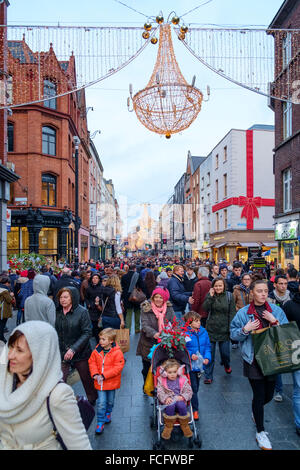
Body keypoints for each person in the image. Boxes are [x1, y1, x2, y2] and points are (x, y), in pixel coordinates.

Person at [0, 321, 92, 450]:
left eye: (19, 350)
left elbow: (79, 446)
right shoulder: (5, 384)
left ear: (39, 355)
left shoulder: (58, 394)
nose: (10, 355)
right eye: (11, 347)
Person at [230, 279, 289, 450]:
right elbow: (233, 334)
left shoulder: (276, 310)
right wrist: (244, 329)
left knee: (269, 395)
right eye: (259, 291)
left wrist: (275, 322)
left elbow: (287, 333)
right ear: (252, 293)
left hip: (272, 358)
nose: (263, 294)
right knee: (258, 393)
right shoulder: (243, 313)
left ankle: (257, 411)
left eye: (265, 291)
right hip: (253, 359)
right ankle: (260, 432)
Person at [55, 287, 97, 405]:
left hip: (81, 352)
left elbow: (87, 332)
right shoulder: (57, 312)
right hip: (62, 351)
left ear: (73, 298)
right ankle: (61, 401)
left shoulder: (82, 312)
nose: (62, 300)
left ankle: (92, 399)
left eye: (66, 297)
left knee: (86, 379)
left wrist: (73, 349)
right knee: (60, 379)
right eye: (61, 297)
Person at [88, 328, 125, 434]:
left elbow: (118, 367)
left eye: (103, 339)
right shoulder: (96, 351)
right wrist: (95, 374)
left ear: (111, 341)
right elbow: (92, 362)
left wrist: (104, 376)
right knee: (101, 403)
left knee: (110, 401)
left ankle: (108, 412)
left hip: (111, 382)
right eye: (100, 339)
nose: (100, 341)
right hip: (100, 384)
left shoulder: (117, 352)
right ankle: (100, 422)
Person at [136, 287, 174, 390]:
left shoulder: (169, 308)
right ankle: (146, 386)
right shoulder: (146, 308)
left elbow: (174, 322)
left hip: (164, 342)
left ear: (164, 299)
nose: (158, 299)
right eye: (156, 297)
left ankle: (160, 387)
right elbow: (144, 325)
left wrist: (175, 333)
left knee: (162, 366)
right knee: (147, 366)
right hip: (148, 342)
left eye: (160, 297)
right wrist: (154, 334)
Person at [202, 277, 236, 383]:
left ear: (224, 286)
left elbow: (232, 313)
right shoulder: (210, 295)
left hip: (225, 329)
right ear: (213, 287)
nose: (218, 288)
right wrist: (210, 297)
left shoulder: (229, 296)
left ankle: (226, 364)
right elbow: (205, 308)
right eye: (216, 286)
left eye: (220, 285)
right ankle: (208, 376)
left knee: (225, 353)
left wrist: (231, 327)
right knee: (209, 354)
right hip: (211, 328)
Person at [184, 311, 211, 420]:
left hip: (200, 366)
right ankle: (195, 409)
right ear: (189, 323)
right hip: (190, 365)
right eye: (196, 321)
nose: (199, 323)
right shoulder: (185, 333)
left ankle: (190, 401)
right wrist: (191, 355)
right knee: (194, 388)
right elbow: (182, 348)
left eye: (199, 320)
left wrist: (207, 358)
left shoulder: (204, 332)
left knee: (197, 387)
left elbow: (208, 347)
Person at [157, 358, 193, 440]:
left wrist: (183, 397)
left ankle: (185, 425)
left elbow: (189, 391)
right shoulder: (161, 381)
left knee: (182, 406)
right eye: (170, 372)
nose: (173, 374)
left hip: (180, 399)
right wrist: (165, 398)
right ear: (165, 373)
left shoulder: (183, 379)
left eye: (175, 372)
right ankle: (168, 426)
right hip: (169, 401)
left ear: (179, 371)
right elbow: (160, 391)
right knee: (170, 406)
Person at [268, 274, 291, 402]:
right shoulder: (269, 299)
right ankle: (279, 390)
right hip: (274, 334)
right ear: (275, 285)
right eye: (281, 283)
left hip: (289, 332)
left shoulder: (291, 298)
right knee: (278, 362)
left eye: (285, 283)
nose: (283, 286)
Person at [283, 286, 300, 436]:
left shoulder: (289, 305)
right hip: (297, 350)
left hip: (296, 349)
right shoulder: (290, 305)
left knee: (298, 390)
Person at [121, 264, 145, 334]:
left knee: (128, 313)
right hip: (136, 296)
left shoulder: (124, 276)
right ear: (135, 269)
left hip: (127, 297)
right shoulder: (138, 275)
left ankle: (128, 329)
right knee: (137, 312)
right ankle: (137, 328)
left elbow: (122, 286)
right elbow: (142, 285)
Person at [85, 273, 103, 343]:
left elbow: (103, 298)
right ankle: (97, 341)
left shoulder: (102, 288)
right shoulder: (88, 288)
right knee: (95, 326)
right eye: (93, 278)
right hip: (92, 309)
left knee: (100, 326)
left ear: (99, 279)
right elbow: (86, 298)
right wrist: (88, 304)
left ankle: (101, 340)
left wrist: (99, 302)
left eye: (96, 278)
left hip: (100, 308)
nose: (94, 279)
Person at [0, 276, 15, 344]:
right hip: (3, 310)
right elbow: (10, 300)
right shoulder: (5, 291)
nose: (9, 285)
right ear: (6, 283)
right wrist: (11, 295)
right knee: (2, 325)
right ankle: (1, 337)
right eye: (9, 283)